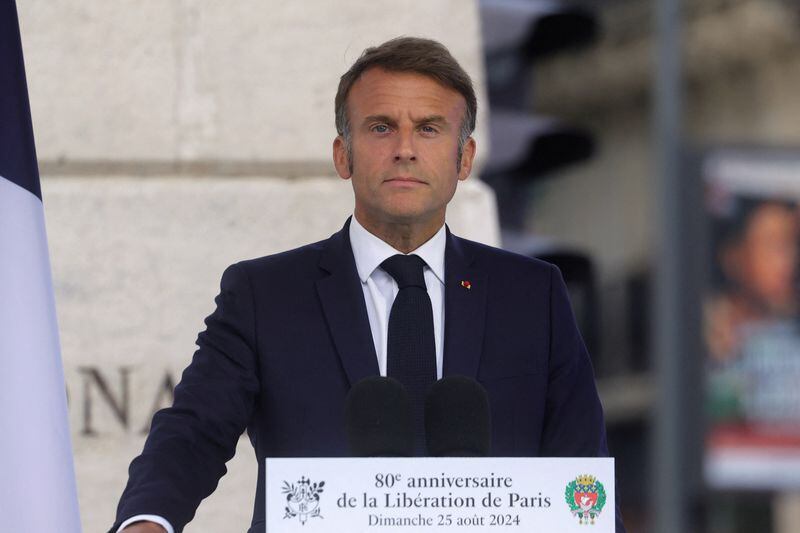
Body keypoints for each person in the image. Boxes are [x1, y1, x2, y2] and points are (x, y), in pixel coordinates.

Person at [112, 36, 623, 533]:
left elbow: (581, 471)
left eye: (428, 129)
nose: (404, 149)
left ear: (464, 159)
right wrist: (148, 520)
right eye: (381, 128)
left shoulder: (532, 297)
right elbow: (194, 430)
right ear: (343, 155)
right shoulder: (264, 295)